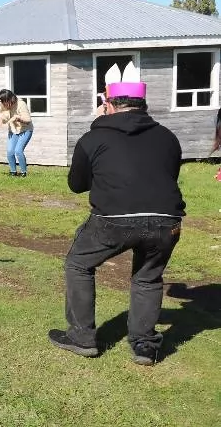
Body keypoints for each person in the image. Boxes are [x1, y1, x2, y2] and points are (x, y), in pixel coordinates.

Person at [48, 73, 185, 366]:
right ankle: (144, 346)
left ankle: (82, 337)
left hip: (114, 219)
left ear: (108, 105)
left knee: (78, 264)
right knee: (148, 278)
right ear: (143, 105)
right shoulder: (167, 136)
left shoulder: (93, 137)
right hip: (166, 220)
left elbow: (76, 184)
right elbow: (167, 176)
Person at [0, 89, 33, 177]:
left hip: (25, 130)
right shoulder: (3, 104)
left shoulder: (21, 104)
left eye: (2, 101)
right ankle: (13, 172)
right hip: (13, 130)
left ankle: (24, 172)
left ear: (8, 99)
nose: (1, 103)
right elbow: (3, 114)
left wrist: (19, 118)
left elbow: (28, 120)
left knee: (18, 150)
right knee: (10, 151)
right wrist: (1, 119)